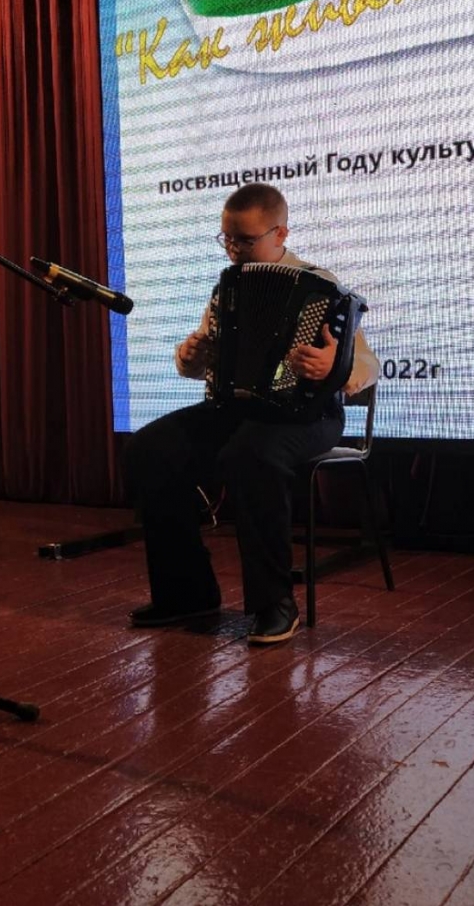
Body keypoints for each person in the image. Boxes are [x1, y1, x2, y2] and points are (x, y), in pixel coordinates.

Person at [124, 183, 378, 645]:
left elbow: (368, 363)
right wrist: (189, 356)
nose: (234, 250)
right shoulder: (229, 289)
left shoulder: (321, 287)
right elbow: (198, 366)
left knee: (251, 455)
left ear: (280, 233)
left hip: (308, 416)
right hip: (237, 409)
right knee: (150, 448)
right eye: (227, 239)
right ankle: (187, 594)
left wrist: (335, 366)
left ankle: (274, 603)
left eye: (245, 240)